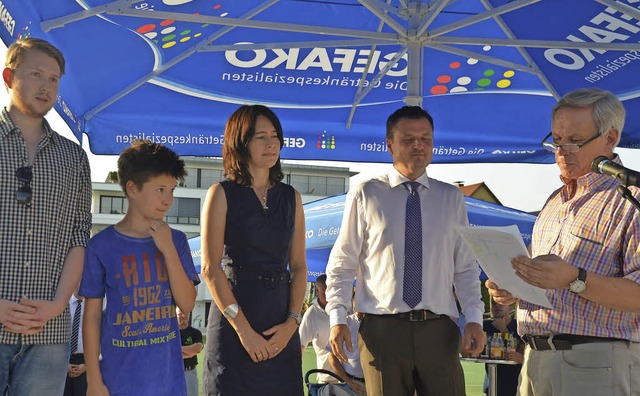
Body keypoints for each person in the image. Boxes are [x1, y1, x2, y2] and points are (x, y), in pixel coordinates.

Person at [487, 87, 640, 396]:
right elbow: (547, 283)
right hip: (533, 359)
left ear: (610, 138)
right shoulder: (553, 202)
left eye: (575, 140)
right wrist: (513, 287)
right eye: (556, 140)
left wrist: (575, 278)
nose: (562, 150)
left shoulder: (631, 200)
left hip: (595, 362)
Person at [326, 105, 485, 396]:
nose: (418, 145)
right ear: (389, 144)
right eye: (408, 139)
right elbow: (341, 264)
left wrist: (474, 317)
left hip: (439, 330)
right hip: (382, 332)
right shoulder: (366, 194)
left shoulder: (451, 198)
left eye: (425, 138)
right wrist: (337, 319)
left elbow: (465, 267)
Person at [0, 37, 92, 395]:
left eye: (54, 79)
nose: (46, 86)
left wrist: (56, 306)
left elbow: (78, 238)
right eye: (36, 74)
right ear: (9, 77)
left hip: (49, 334)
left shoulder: (74, 159)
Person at [201, 104, 307, 395]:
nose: (271, 143)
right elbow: (210, 269)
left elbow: (299, 267)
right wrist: (245, 332)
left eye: (274, 135)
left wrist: (291, 324)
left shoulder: (292, 198)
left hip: (281, 324)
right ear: (240, 142)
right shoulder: (221, 194)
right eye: (261, 136)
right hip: (234, 322)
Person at [80, 140, 199, 396]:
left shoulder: (176, 240)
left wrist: (167, 249)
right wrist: (93, 380)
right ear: (132, 189)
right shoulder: (101, 245)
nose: (168, 200)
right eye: (159, 190)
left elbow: (187, 303)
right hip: (116, 381)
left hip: (168, 382)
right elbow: (91, 318)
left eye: (171, 190)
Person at [299, 274, 336, 385]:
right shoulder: (311, 315)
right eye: (324, 293)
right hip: (327, 379)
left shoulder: (346, 309)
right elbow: (301, 345)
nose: (329, 297)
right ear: (317, 290)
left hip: (351, 377)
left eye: (331, 292)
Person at [482, 302, 523, 396]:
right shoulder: (485, 326)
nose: (497, 305)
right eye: (494, 303)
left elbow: (520, 353)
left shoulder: (518, 327)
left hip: (514, 385)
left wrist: (503, 329)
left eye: (501, 303)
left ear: (509, 307)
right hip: (491, 382)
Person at [327, 311, 366, 396]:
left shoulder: (379, 324)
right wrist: (347, 381)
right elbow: (332, 356)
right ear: (352, 301)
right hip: (351, 384)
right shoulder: (343, 324)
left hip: (376, 383)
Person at [64, 293, 87, 396]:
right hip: (64, 360)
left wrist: (87, 366)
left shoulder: (92, 307)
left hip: (84, 362)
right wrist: (64, 365)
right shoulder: (64, 305)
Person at [177, 306, 204, 396]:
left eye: (185, 314)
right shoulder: (171, 334)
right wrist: (190, 351)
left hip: (190, 373)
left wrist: (178, 349)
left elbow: (198, 349)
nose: (183, 316)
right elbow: (171, 353)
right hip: (175, 372)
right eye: (180, 314)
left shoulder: (195, 332)